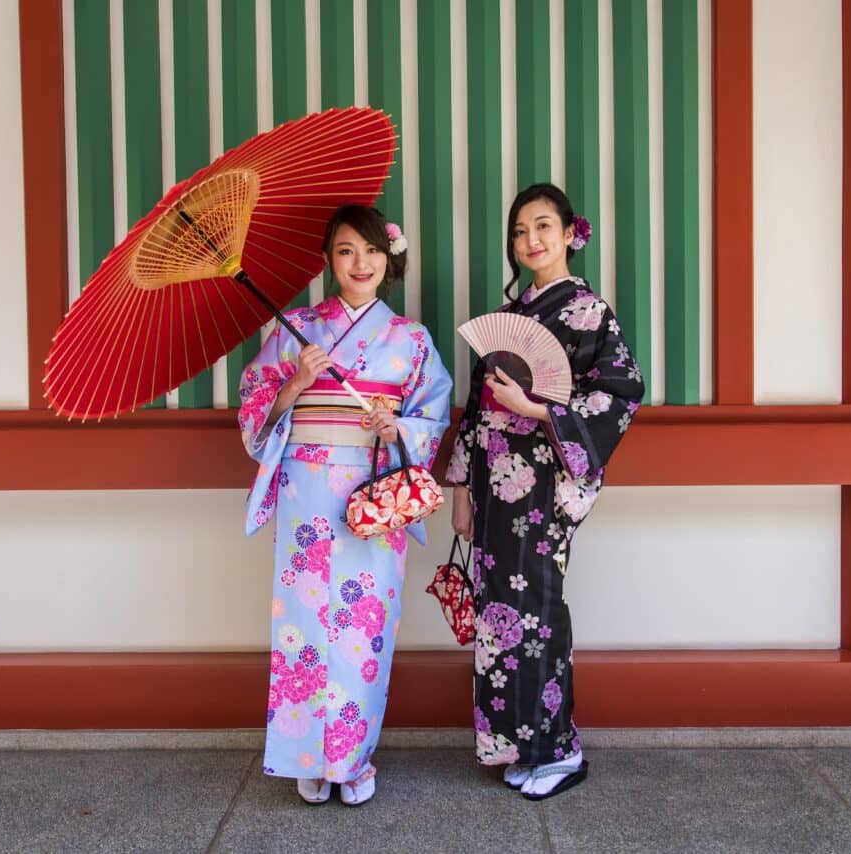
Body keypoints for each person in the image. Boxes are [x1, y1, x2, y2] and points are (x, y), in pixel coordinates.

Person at [237, 205, 452, 806]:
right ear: (329, 261)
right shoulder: (297, 328)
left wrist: (398, 428)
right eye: (346, 251)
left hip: (372, 490)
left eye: (372, 251)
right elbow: (255, 403)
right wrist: (295, 385)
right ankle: (308, 755)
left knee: (364, 627)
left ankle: (352, 760)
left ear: (390, 259)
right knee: (304, 625)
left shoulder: (410, 339)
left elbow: (433, 412)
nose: (361, 263)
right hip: (307, 491)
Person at [445, 183, 644, 800]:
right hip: (494, 485)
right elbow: (477, 411)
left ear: (568, 235)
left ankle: (559, 749)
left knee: (539, 612)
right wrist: (461, 486)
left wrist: (535, 408)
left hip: (544, 486)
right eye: (520, 232)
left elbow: (620, 393)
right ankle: (516, 745)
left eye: (542, 228)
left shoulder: (589, 313)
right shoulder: (514, 317)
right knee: (499, 617)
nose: (530, 241)